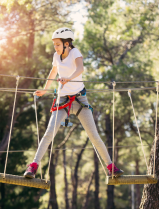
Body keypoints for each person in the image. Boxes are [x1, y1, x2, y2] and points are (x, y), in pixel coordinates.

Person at [24, 27, 124, 179]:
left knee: (94, 135)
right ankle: (33, 166)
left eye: (58, 44)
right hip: (62, 100)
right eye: (54, 44)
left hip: (80, 100)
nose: (55, 47)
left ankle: (111, 166)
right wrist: (45, 90)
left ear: (66, 44)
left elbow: (80, 68)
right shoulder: (56, 56)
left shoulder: (75, 53)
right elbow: (53, 73)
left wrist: (69, 78)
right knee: (49, 132)